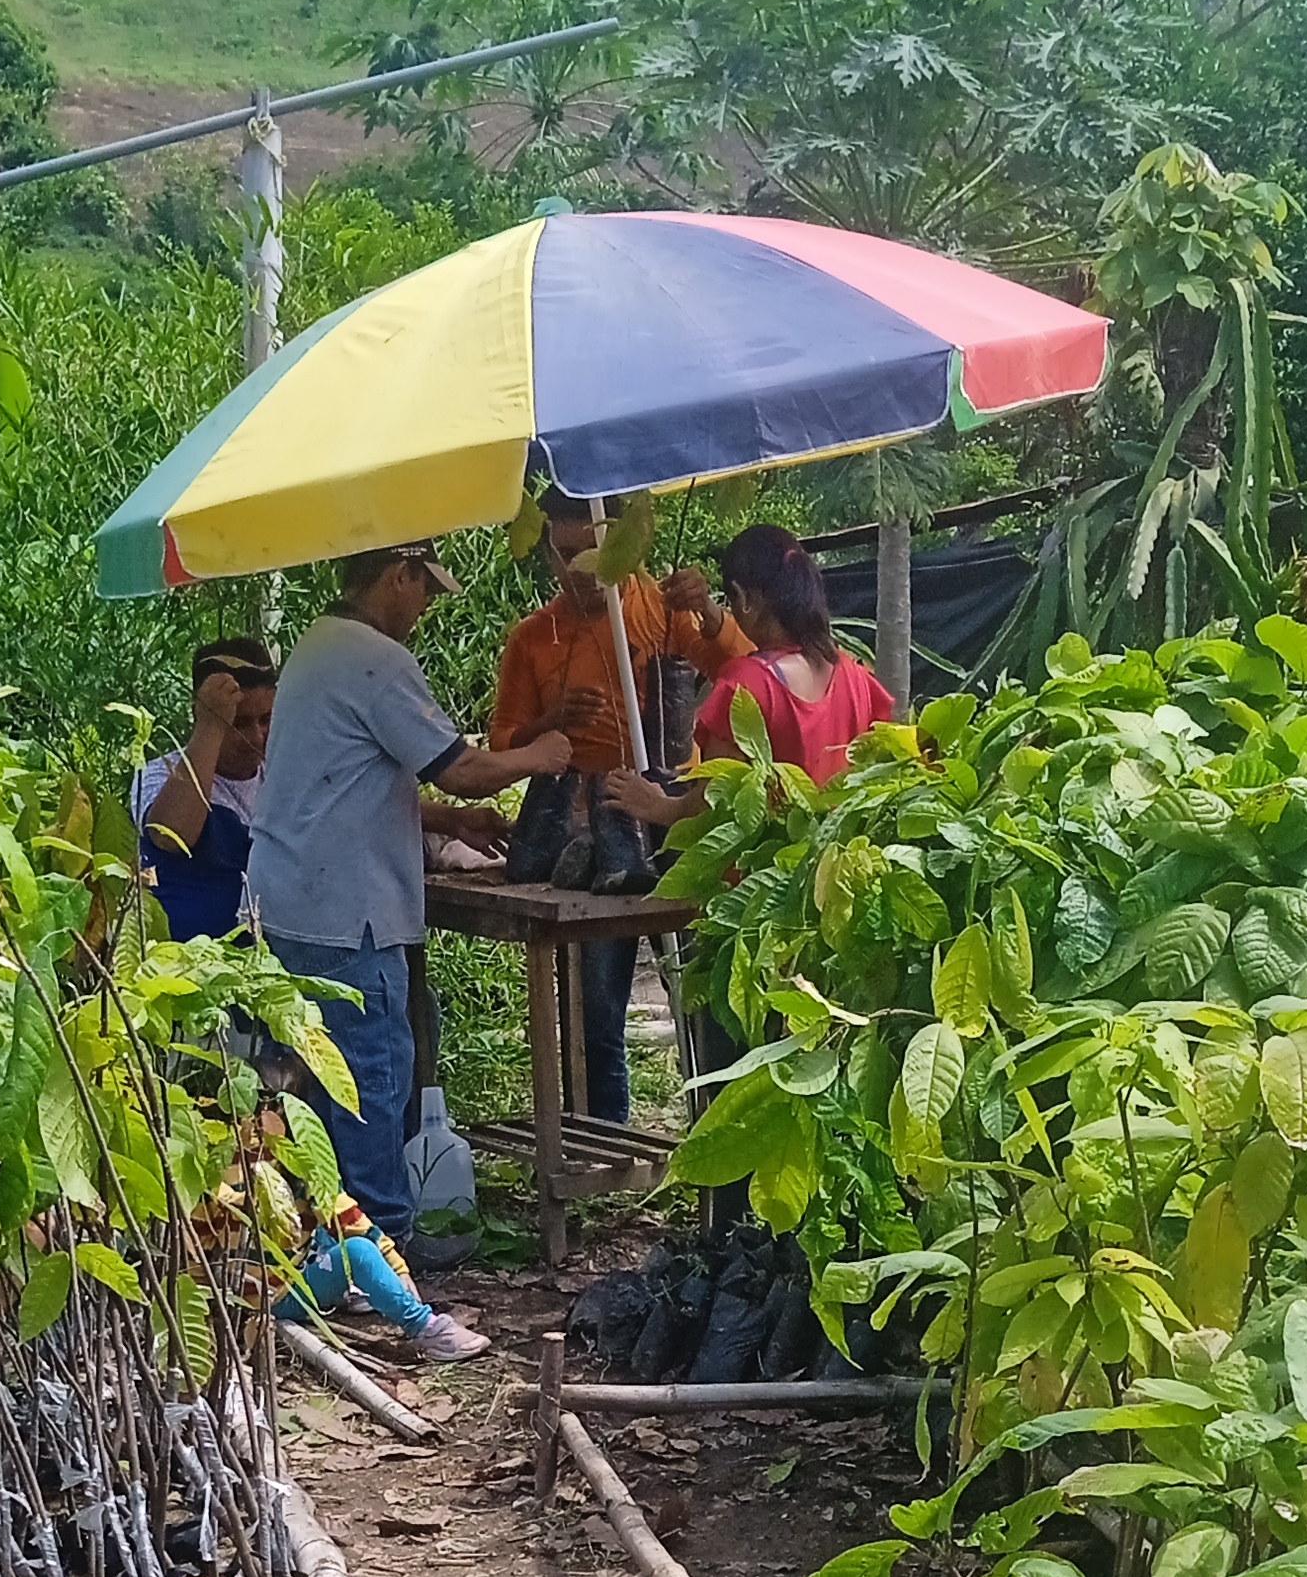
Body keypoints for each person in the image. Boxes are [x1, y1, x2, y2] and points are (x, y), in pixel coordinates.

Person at [248, 541, 571, 1355]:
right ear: (398, 576)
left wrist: (444, 821)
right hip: (347, 914)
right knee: (370, 1081)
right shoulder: (373, 657)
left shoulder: (315, 649)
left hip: (298, 903)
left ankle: (333, 1249)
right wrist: (540, 756)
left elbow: (347, 781)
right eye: (424, 589)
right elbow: (460, 768)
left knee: (324, 1088)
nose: (425, 607)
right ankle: (383, 1260)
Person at [488, 496, 745, 1126]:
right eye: (564, 555)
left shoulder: (661, 608)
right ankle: (598, 1141)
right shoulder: (534, 637)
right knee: (593, 1012)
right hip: (589, 830)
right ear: (547, 550)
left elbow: (745, 673)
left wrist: (711, 613)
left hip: (677, 819)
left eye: (590, 551)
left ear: (621, 541)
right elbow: (502, 746)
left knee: (704, 1004)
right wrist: (550, 724)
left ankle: (717, 1135)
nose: (578, 569)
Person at [603, 524, 895, 839]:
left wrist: (660, 806)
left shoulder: (745, 686)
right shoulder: (856, 675)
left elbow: (714, 803)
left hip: (763, 866)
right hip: (833, 858)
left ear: (743, 598)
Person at [134, 637, 276, 942]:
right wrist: (212, 725)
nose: (256, 736)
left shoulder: (283, 778)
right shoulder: (159, 773)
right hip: (181, 961)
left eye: (266, 719)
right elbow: (169, 836)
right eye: (240, 723)